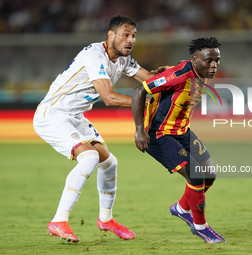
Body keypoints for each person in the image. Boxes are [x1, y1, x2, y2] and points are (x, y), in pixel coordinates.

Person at [33, 15, 161, 243]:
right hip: (53, 114)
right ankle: (59, 220)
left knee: (109, 163)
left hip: (75, 116)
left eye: (133, 36)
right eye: (125, 35)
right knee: (90, 156)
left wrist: (175, 74)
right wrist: (147, 102)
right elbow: (109, 98)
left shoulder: (124, 59)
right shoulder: (94, 55)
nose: (130, 40)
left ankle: (106, 219)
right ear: (111, 35)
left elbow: (150, 80)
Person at [131, 37, 226, 243]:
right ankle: (200, 226)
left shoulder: (201, 70)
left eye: (216, 60)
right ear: (196, 59)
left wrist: (171, 69)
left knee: (210, 175)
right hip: (159, 134)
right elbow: (139, 91)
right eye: (209, 60)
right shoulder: (179, 75)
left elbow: (185, 66)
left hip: (182, 131)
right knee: (196, 176)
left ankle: (182, 208)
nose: (213, 65)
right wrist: (140, 130)